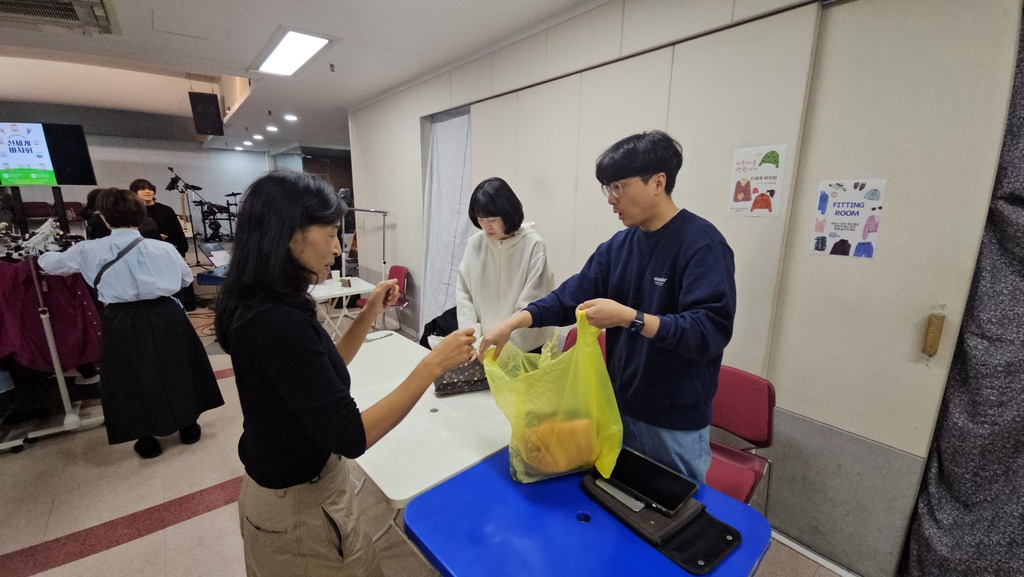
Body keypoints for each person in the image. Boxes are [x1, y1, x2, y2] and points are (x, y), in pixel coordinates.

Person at [213, 169, 475, 577]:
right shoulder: (277, 321)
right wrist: (432, 364)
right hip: (298, 511)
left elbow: (323, 369)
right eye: (331, 233)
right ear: (291, 234)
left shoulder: (267, 304)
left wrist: (369, 312)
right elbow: (352, 436)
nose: (338, 248)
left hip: (303, 493)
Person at [478, 130, 737, 483]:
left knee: (671, 509)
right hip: (616, 406)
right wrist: (512, 323)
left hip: (672, 422)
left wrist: (630, 317)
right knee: (612, 499)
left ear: (658, 182)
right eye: (607, 188)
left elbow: (708, 331)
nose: (612, 199)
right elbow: (569, 297)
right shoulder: (618, 247)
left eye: (619, 187)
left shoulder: (702, 245)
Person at [38, 188, 223, 458]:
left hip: (122, 318)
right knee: (177, 367)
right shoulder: (164, 248)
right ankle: (188, 426)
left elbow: (50, 264)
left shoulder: (88, 249)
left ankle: (146, 439)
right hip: (165, 314)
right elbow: (185, 279)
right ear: (141, 214)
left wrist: (43, 250)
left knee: (130, 377)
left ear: (103, 217)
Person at [456, 177, 555, 353]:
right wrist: (474, 340)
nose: (486, 227)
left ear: (508, 213)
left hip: (524, 348)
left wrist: (500, 350)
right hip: (481, 345)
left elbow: (531, 306)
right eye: (481, 220)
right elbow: (464, 295)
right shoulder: (475, 244)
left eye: (492, 220)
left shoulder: (532, 246)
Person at [130, 178, 195, 309]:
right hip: (146, 252)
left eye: (150, 188)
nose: (147, 191)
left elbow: (177, 230)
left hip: (169, 249)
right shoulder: (133, 212)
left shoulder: (165, 210)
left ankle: (184, 306)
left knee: (178, 280)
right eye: (142, 189)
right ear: (134, 193)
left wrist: (182, 249)